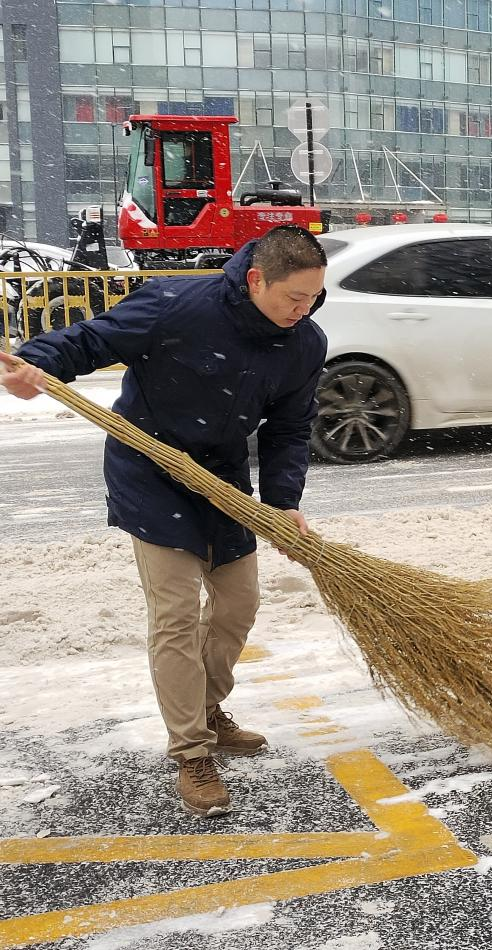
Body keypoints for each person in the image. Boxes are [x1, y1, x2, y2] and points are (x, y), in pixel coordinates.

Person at [0, 225, 328, 816]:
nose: (302, 312)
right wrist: (34, 364)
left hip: (222, 478)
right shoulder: (176, 304)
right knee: (175, 615)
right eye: (293, 299)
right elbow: (90, 339)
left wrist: (282, 503)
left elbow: (287, 428)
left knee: (237, 606)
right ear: (257, 280)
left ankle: (206, 709)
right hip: (149, 468)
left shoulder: (303, 342)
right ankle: (191, 752)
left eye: (313, 300)